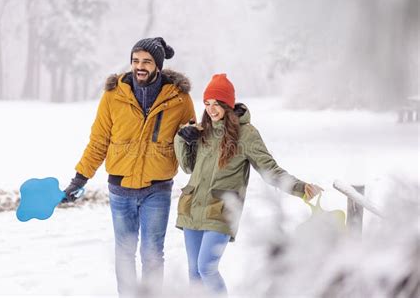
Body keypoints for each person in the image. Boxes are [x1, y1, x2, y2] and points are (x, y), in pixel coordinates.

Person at [63, 37, 196, 295]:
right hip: (120, 189)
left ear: (157, 65)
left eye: (146, 61)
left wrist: (191, 140)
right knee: (124, 253)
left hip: (157, 190)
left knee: (152, 253)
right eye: (135, 61)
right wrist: (80, 179)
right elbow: (98, 141)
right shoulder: (114, 95)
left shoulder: (179, 99)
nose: (139, 67)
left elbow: (190, 146)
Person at [174, 73, 323, 295]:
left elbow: (269, 170)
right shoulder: (203, 130)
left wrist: (300, 187)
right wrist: (182, 138)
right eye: (207, 103)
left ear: (228, 104)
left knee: (207, 268)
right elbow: (187, 167)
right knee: (194, 272)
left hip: (220, 210)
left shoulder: (246, 134)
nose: (211, 109)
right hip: (192, 206)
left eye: (217, 103)